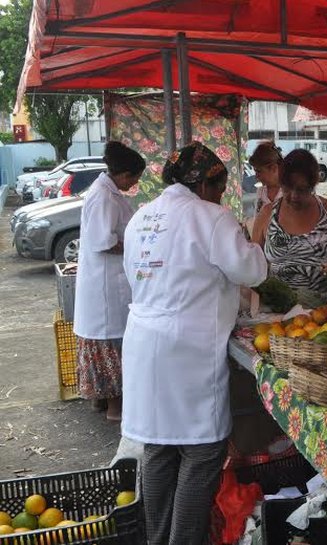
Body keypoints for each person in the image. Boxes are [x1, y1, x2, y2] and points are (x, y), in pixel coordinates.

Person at [121, 142, 267, 545]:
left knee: (159, 449)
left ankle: (157, 539)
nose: (222, 195)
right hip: (187, 349)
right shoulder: (212, 217)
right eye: (219, 187)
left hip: (144, 343)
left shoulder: (141, 217)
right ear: (203, 184)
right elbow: (251, 270)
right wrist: (249, 238)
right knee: (201, 453)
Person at [73, 141, 145, 422]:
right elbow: (104, 241)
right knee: (112, 345)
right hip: (104, 285)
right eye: (136, 178)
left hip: (103, 281)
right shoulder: (103, 196)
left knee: (107, 342)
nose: (136, 183)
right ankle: (115, 408)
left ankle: (102, 402)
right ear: (125, 175)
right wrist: (135, 246)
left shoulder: (106, 192)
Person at [256, 148, 327, 302]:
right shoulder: (267, 213)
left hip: (323, 315)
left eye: (302, 190)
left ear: (314, 185)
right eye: (287, 189)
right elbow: (252, 264)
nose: (293, 196)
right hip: (276, 314)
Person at [248, 140, 283, 214]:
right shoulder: (261, 192)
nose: (256, 177)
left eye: (259, 171)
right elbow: (257, 220)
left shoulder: (291, 193)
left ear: (274, 168)